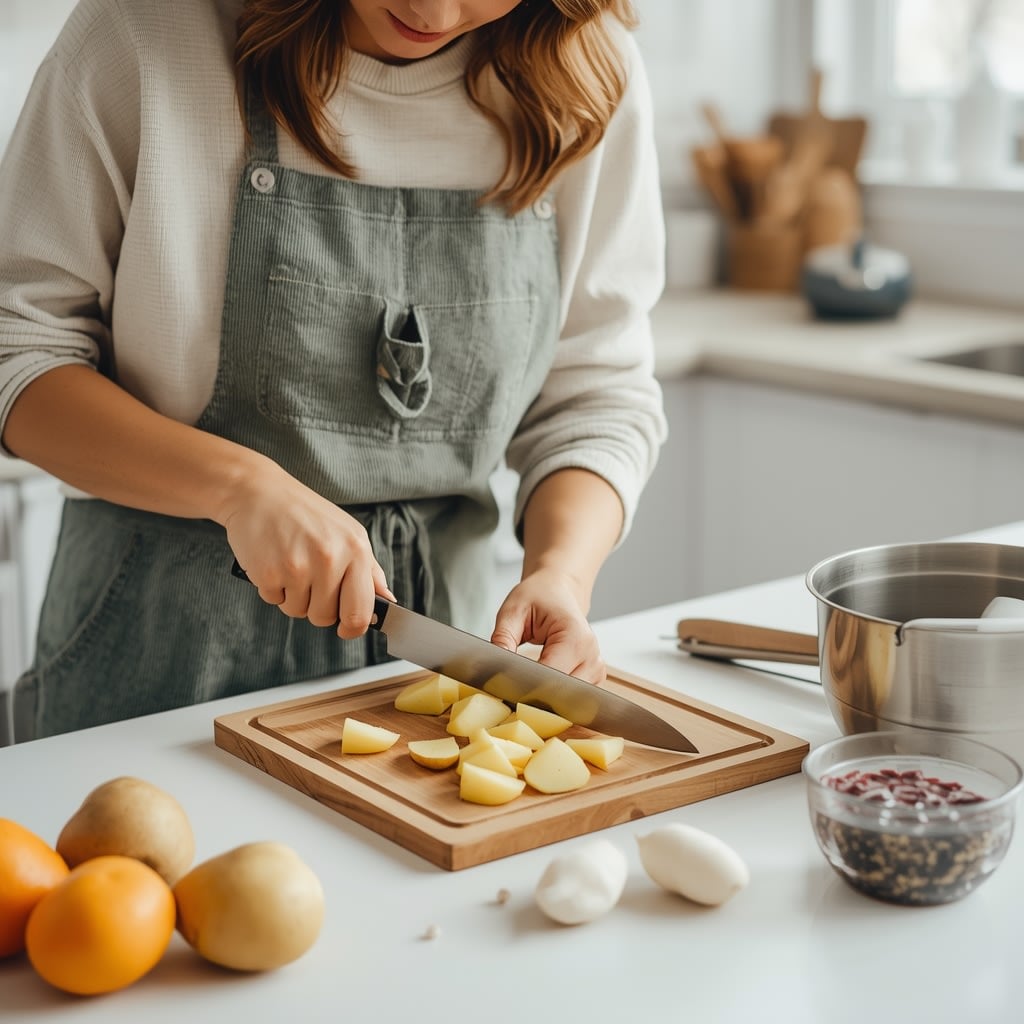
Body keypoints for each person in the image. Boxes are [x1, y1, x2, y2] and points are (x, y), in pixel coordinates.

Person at [0, 0, 667, 741]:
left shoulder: (586, 69)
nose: (434, 10)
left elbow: (596, 394)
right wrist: (237, 488)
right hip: (154, 667)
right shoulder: (145, 32)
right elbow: (19, 352)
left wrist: (561, 574)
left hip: (445, 672)